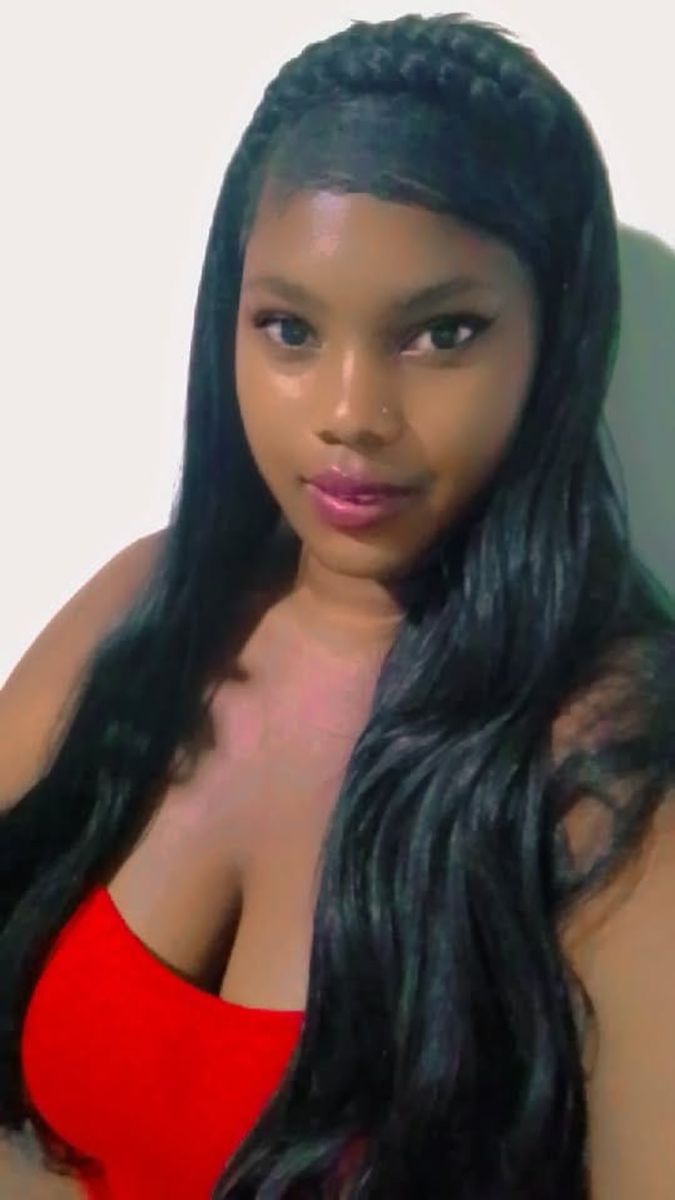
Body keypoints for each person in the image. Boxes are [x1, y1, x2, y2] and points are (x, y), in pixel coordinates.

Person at [1, 10, 674, 1199]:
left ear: (556, 342)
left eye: (441, 333)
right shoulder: (146, 611)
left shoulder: (612, 774)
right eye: (291, 329)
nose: (351, 411)